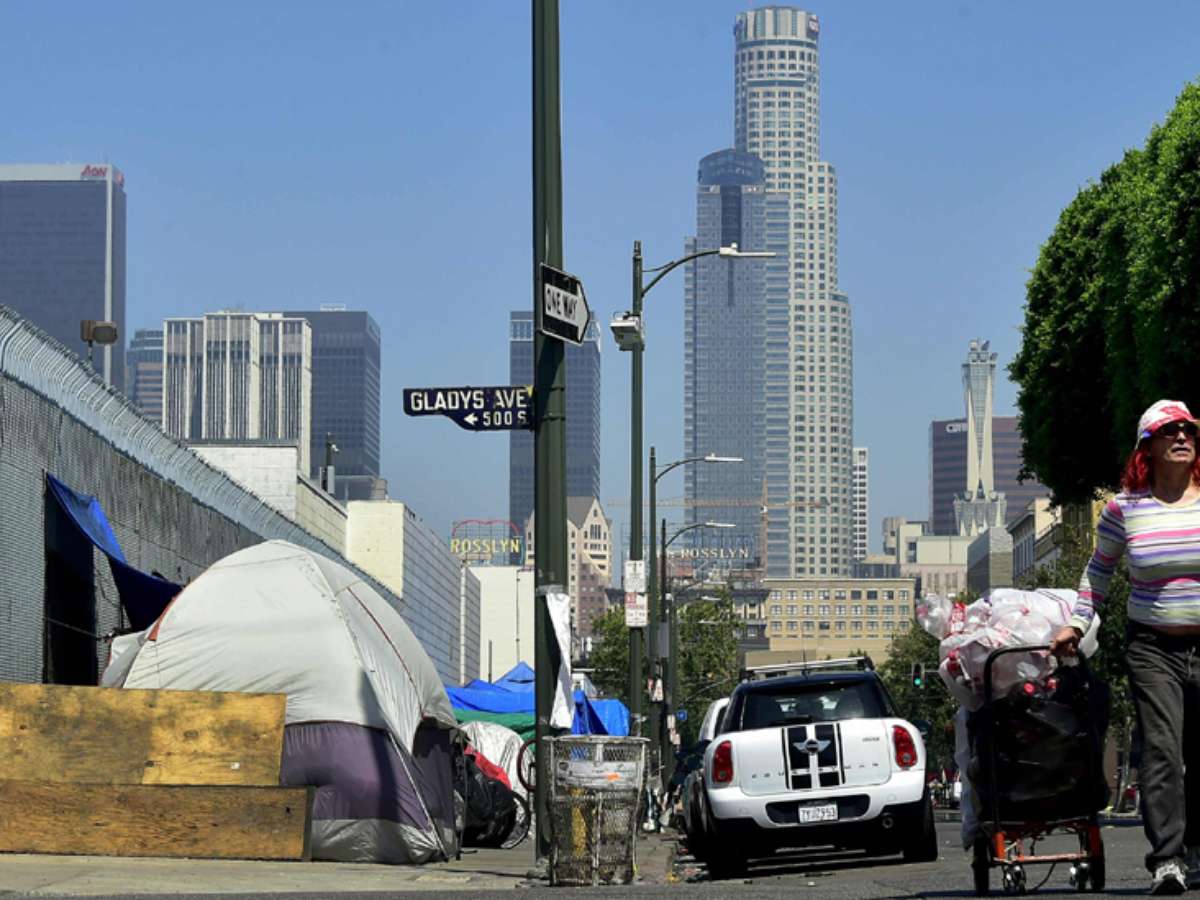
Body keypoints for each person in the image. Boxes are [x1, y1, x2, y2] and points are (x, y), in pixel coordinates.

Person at [1051, 399, 1200, 895]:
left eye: (1188, 430)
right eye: (1169, 431)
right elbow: (1099, 572)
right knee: (1162, 749)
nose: (1181, 437)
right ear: (1148, 447)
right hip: (1152, 647)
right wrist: (1076, 623)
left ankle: (1195, 848)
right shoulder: (1124, 509)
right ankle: (1168, 860)